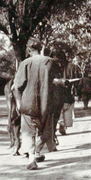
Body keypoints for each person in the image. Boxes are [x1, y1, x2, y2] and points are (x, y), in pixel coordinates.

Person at [12, 42, 56, 170]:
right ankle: (37, 150)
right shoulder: (50, 62)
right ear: (41, 49)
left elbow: (17, 87)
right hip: (46, 103)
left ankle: (32, 157)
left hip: (29, 103)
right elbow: (55, 82)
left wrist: (19, 104)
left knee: (28, 131)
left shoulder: (25, 63)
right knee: (47, 131)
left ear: (30, 50)